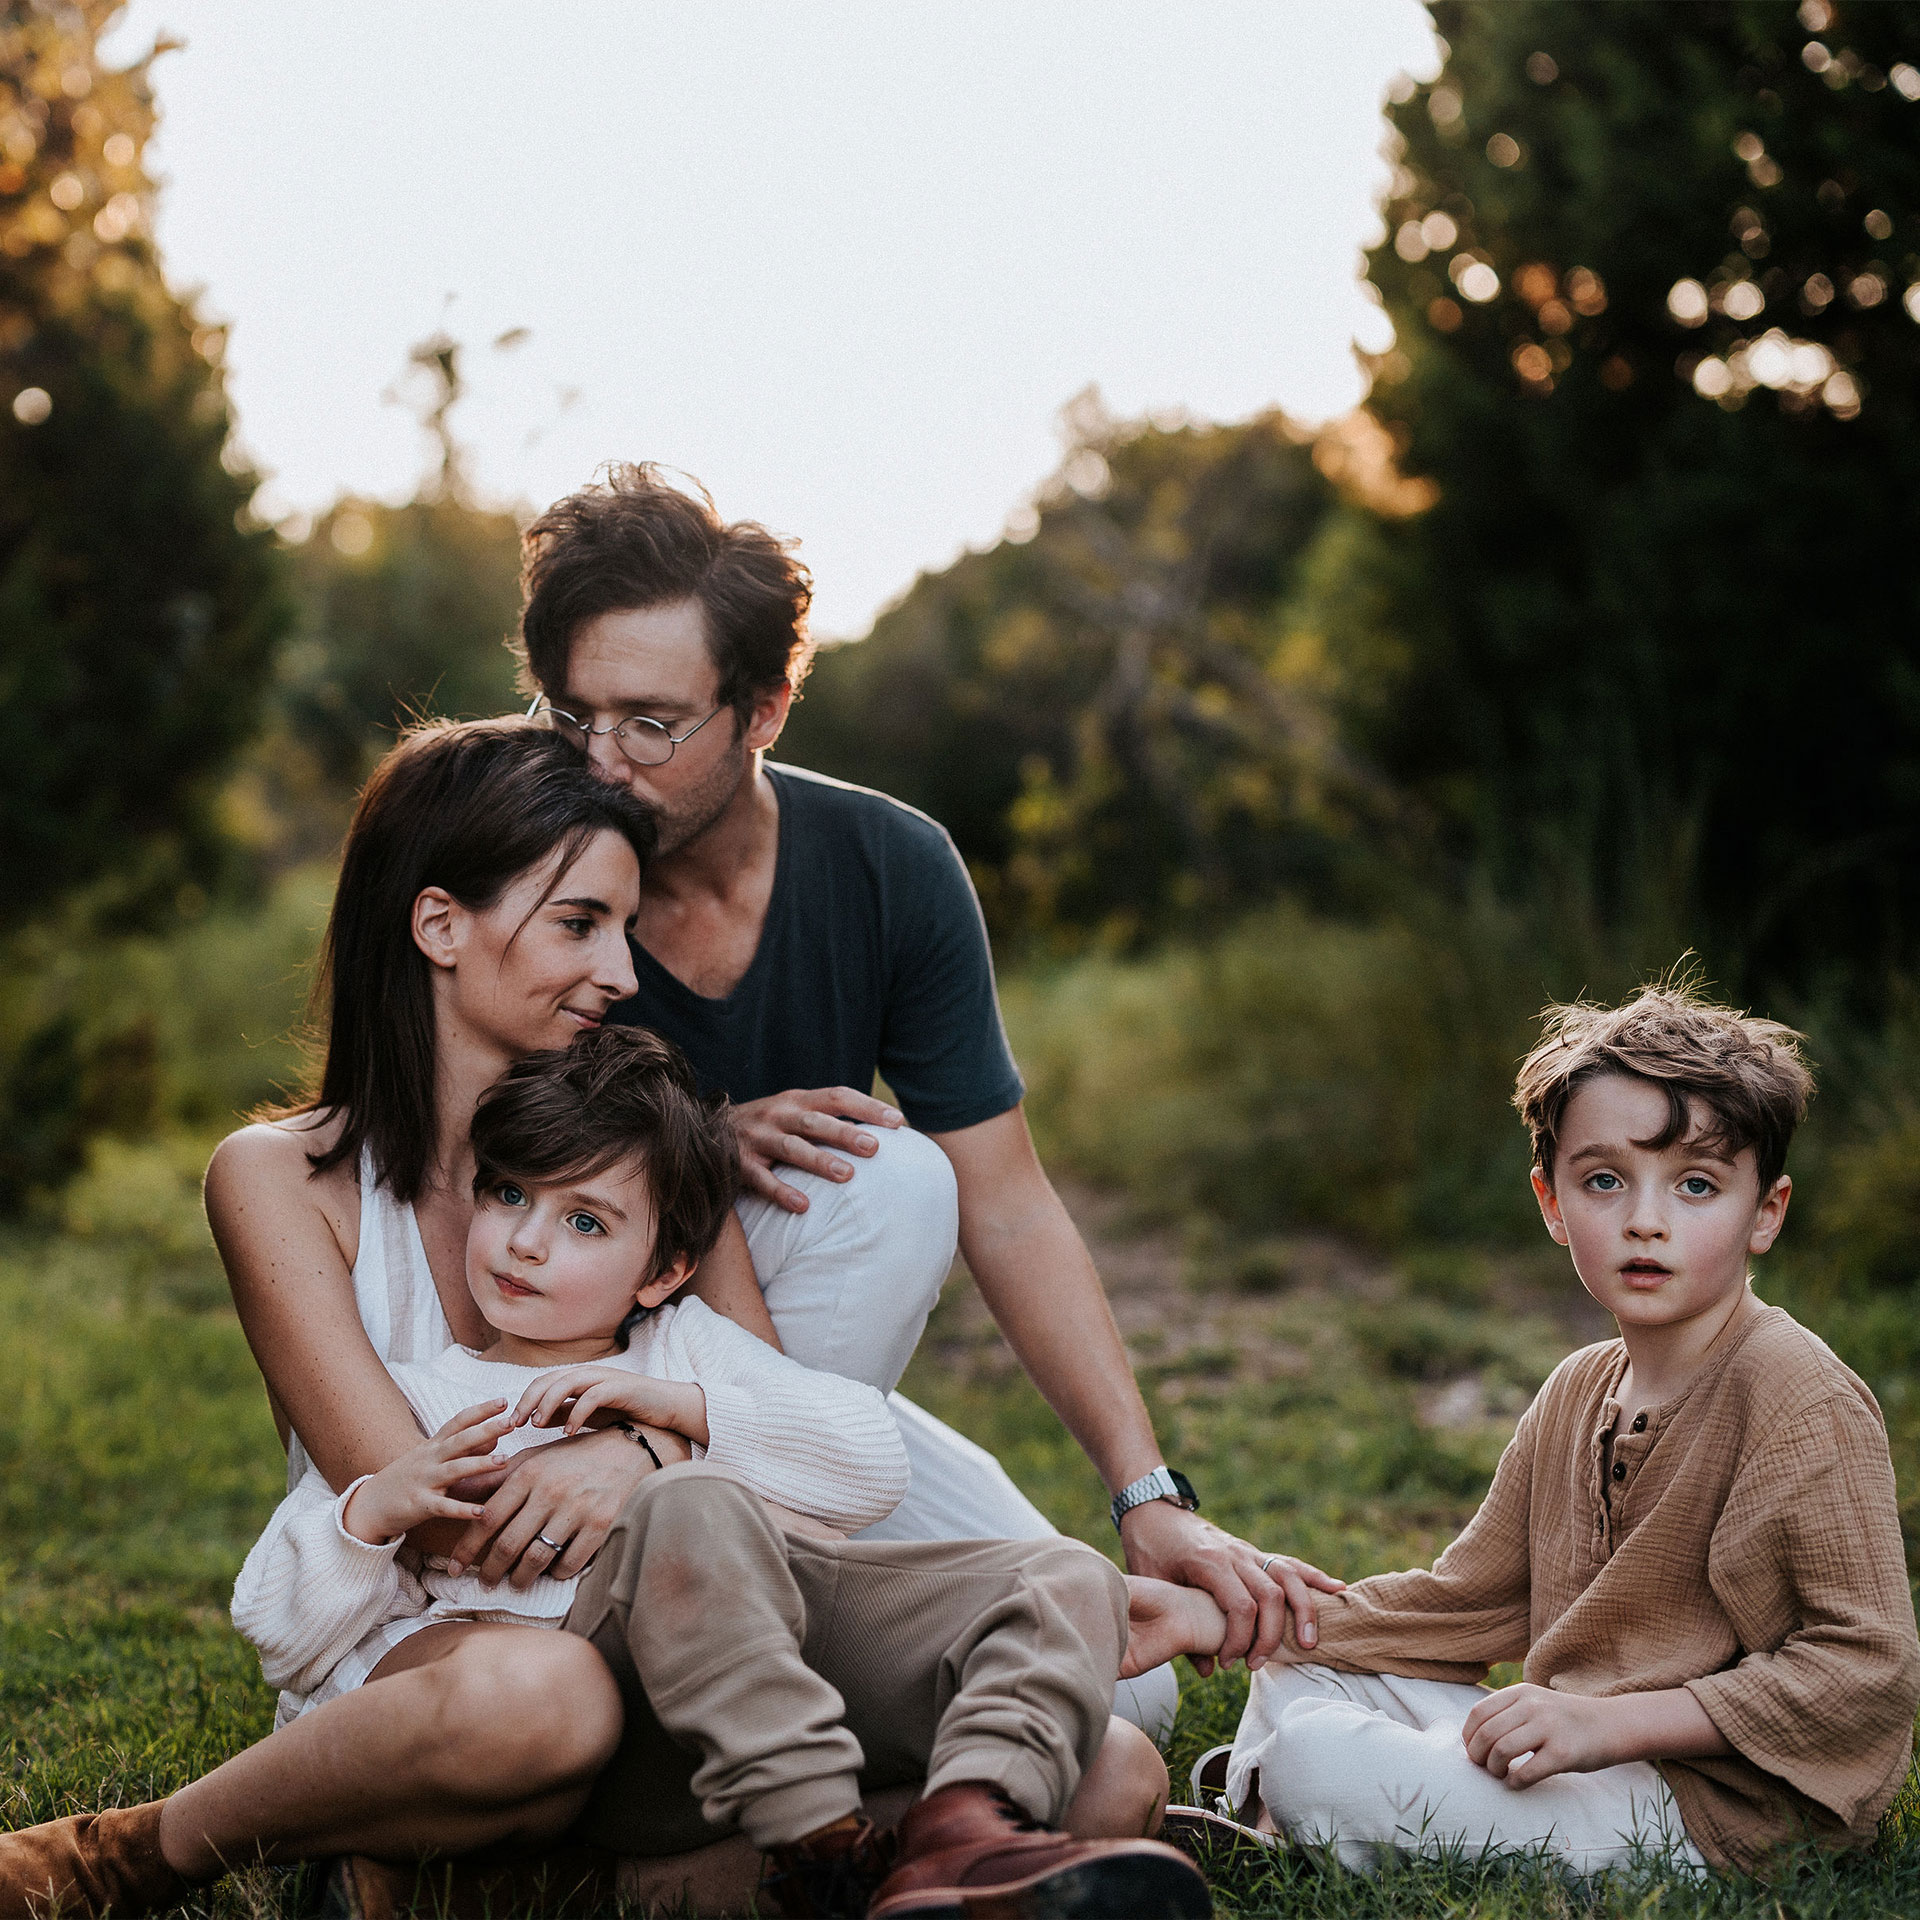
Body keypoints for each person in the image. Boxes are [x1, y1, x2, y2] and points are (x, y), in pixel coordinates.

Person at [0, 1028, 1209, 1920]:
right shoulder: (428, 1397)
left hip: (751, 1707)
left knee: (1073, 1627)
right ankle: (819, 1843)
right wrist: (372, 1513)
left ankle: (962, 1829)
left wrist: (670, 1416)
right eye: (510, 1196)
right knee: (694, 1506)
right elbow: (282, 1626)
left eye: (585, 1222)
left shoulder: (689, 1352)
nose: (526, 1240)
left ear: (662, 1268)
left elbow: (868, 1459)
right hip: (615, 1746)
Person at [515, 464, 1341, 1714]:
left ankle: (749, 1633)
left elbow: (1006, 1204)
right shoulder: (518, 854)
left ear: (765, 710)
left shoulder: (889, 865)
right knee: (894, 1181)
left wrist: (1144, 1491)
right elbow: (441, 1143)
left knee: (1124, 1698)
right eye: (571, 715)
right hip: (548, 1353)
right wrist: (691, 1138)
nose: (602, 763)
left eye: (651, 722)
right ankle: (650, 1649)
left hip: (773, 1374)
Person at [1126, 983, 1920, 1876]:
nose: (1645, 1219)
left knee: (1319, 1756)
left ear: (1764, 1212)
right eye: (1605, 1181)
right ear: (1552, 1201)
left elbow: (1865, 1669)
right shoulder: (1580, 1387)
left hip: (1712, 1808)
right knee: (1301, 1675)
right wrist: (1214, 1614)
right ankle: (1286, 1805)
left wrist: (1606, 1723)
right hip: (1580, 1747)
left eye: (1696, 1185)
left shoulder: (1799, 1397)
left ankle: (1284, 1798)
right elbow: (1464, 1605)